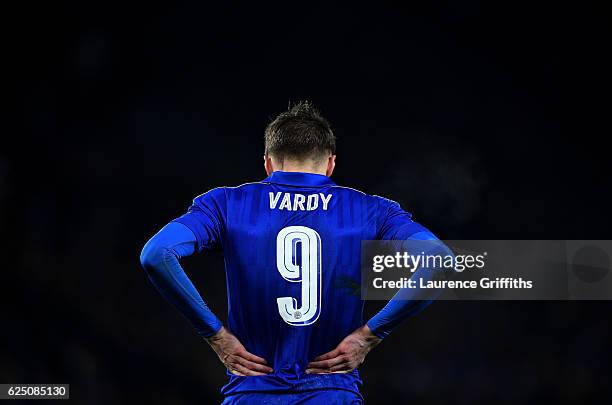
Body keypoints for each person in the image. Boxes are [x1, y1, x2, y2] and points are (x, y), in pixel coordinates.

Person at [140, 101, 449, 404]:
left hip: (251, 394)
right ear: (330, 164)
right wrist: (370, 334)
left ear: (268, 163)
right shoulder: (371, 209)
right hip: (332, 393)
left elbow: (156, 254)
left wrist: (215, 335)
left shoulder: (226, 204)